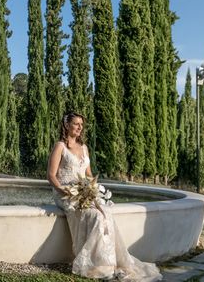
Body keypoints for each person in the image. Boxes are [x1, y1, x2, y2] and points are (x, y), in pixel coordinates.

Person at [47, 112, 162, 281]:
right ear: (66, 125)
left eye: (81, 124)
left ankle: (110, 263)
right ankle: (94, 264)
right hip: (65, 195)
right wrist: (63, 190)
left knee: (106, 213)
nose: (80, 127)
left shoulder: (84, 148)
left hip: (84, 193)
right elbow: (51, 176)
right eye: (76, 124)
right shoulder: (60, 147)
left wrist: (92, 190)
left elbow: (88, 174)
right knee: (95, 216)